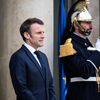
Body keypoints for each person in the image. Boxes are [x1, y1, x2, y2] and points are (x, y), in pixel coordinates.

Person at [60, 0, 100, 100]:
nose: (90, 26)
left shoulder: (87, 43)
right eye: (86, 22)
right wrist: (98, 52)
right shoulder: (69, 45)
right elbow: (84, 71)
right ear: (75, 24)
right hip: (80, 94)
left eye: (90, 22)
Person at [9, 18, 56, 100]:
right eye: (39, 33)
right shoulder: (18, 57)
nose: (43, 36)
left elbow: (50, 84)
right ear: (27, 35)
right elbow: (21, 88)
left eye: (43, 32)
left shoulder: (43, 56)